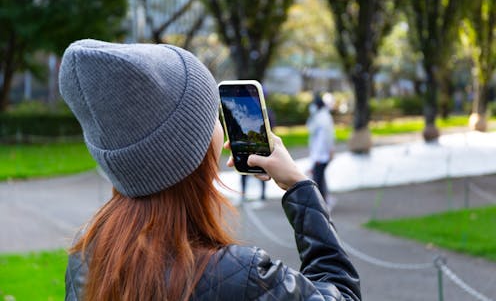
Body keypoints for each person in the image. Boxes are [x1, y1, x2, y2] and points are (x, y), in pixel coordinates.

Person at [61, 39, 361, 301]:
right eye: (211, 116)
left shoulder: (87, 260)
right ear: (193, 150)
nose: (220, 125)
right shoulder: (243, 277)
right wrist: (300, 187)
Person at [307, 92, 335, 203]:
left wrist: (317, 157)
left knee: (318, 179)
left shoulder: (322, 119)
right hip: (320, 154)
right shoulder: (321, 117)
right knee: (320, 178)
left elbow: (324, 140)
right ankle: (325, 200)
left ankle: (322, 202)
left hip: (321, 155)